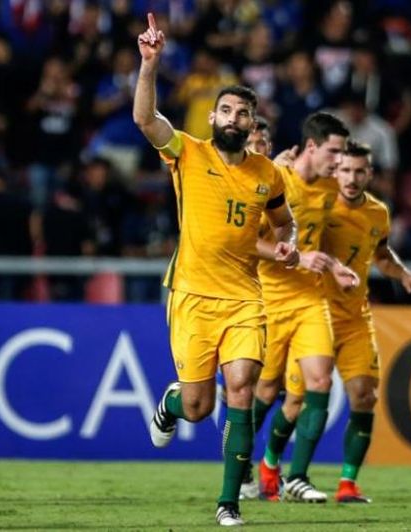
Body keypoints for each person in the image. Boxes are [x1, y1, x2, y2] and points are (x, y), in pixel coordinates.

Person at [133, 14, 299, 527]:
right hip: (192, 297)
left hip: (246, 299)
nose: (232, 117)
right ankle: (173, 404)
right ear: (213, 118)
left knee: (243, 391)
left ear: (252, 124)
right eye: (225, 109)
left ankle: (228, 501)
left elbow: (283, 222)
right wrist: (150, 65)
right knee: (201, 406)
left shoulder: (267, 174)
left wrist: (288, 244)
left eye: (242, 112)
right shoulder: (188, 152)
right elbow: (145, 119)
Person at [254, 112, 359, 502]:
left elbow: (315, 244)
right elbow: (252, 243)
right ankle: (252, 466)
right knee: (266, 392)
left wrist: (335, 266)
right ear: (311, 147)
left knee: (316, 384)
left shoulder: (332, 189)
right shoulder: (277, 181)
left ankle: (296, 476)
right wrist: (298, 259)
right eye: (334, 151)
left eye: (343, 152)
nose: (339, 161)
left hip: (310, 299)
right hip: (269, 299)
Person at [323, 140, 411, 502]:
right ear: (334, 170)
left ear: (370, 174)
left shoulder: (378, 213)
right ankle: (271, 469)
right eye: (345, 170)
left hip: (354, 317)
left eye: (359, 171)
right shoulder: (318, 204)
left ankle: (347, 483)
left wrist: (404, 274)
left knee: (365, 395)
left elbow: (381, 254)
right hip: (313, 313)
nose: (351, 178)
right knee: (287, 398)